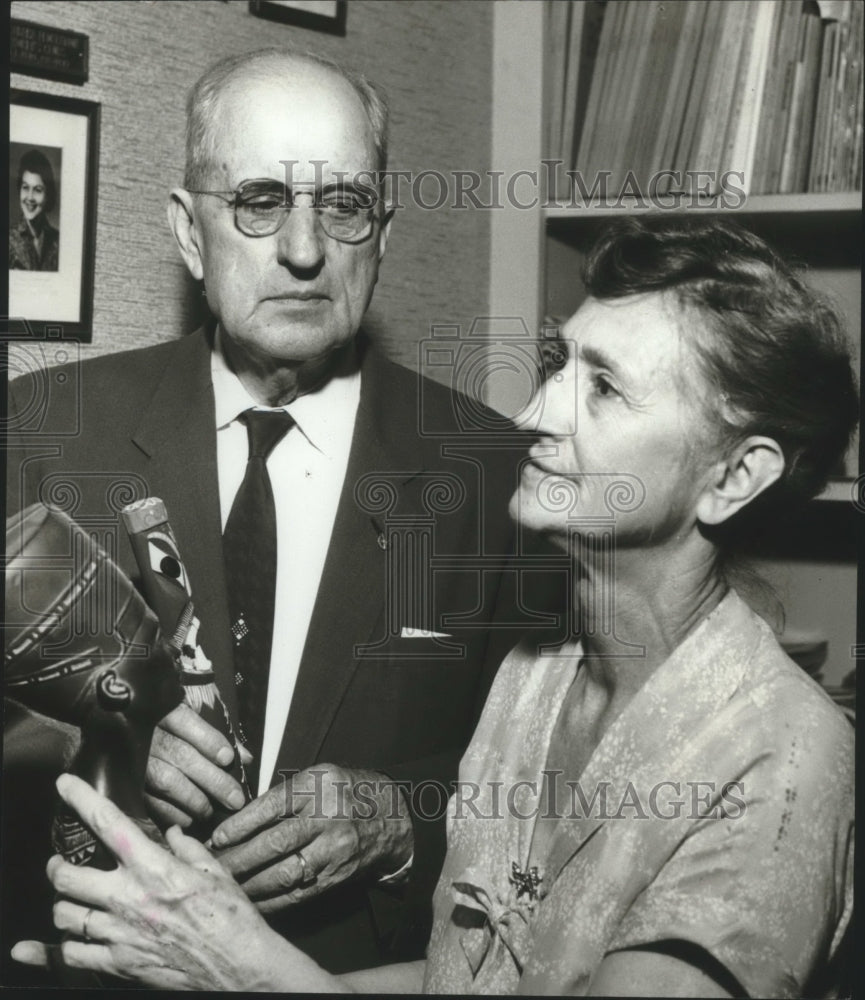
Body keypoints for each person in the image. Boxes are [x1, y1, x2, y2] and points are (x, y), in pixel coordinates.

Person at [13, 217, 857, 995]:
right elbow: (466, 975)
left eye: (604, 389)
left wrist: (243, 970)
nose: (533, 415)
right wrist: (178, 955)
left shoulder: (782, 758)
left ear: (735, 475)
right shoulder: (536, 677)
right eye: (560, 363)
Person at [3, 48, 529, 977]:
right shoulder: (40, 436)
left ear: (385, 233)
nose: (302, 249)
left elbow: (551, 794)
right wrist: (90, 733)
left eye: (343, 205)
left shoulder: (494, 477)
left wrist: (400, 817)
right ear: (187, 231)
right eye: (258, 200)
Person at [9, 149, 60, 271]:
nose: (30, 197)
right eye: (25, 188)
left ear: (48, 195)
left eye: (38, 190)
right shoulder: (8, 240)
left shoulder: (58, 241)